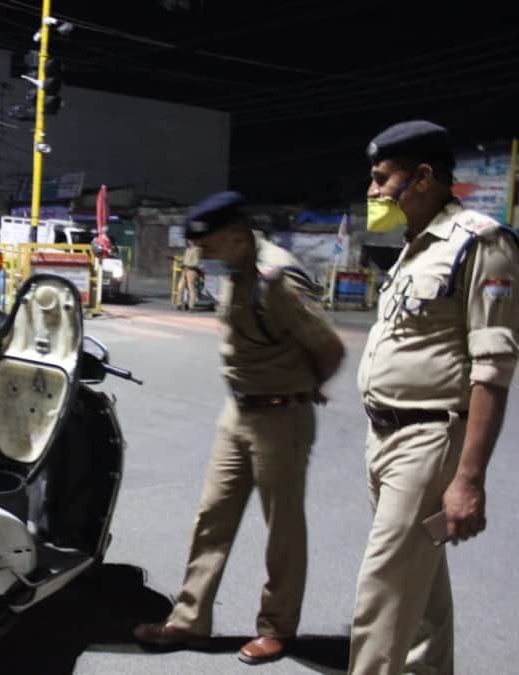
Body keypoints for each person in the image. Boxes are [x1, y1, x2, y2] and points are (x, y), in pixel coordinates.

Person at [133, 190, 346, 665]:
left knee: (282, 529)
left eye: (208, 246)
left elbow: (329, 347)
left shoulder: (277, 278)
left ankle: (277, 628)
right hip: (239, 413)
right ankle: (190, 620)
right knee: (212, 515)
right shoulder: (235, 269)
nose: (202, 256)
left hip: (280, 417)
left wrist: (303, 386)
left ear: (234, 235)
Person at [349, 121, 519, 674]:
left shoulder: (480, 243)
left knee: (381, 595)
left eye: (382, 179)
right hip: (384, 437)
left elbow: (491, 370)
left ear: (422, 177)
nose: (374, 192)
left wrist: (468, 479)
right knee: (419, 593)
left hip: (428, 440)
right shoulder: (412, 251)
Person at [175, 240, 203, 310]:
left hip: (192, 271)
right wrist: (181, 264)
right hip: (184, 271)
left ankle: (191, 306)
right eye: (189, 240)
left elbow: (196, 263)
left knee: (191, 288)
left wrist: (188, 265)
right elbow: (184, 260)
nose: (189, 241)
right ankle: (179, 303)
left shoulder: (197, 250)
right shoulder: (187, 250)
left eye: (191, 240)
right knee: (180, 287)